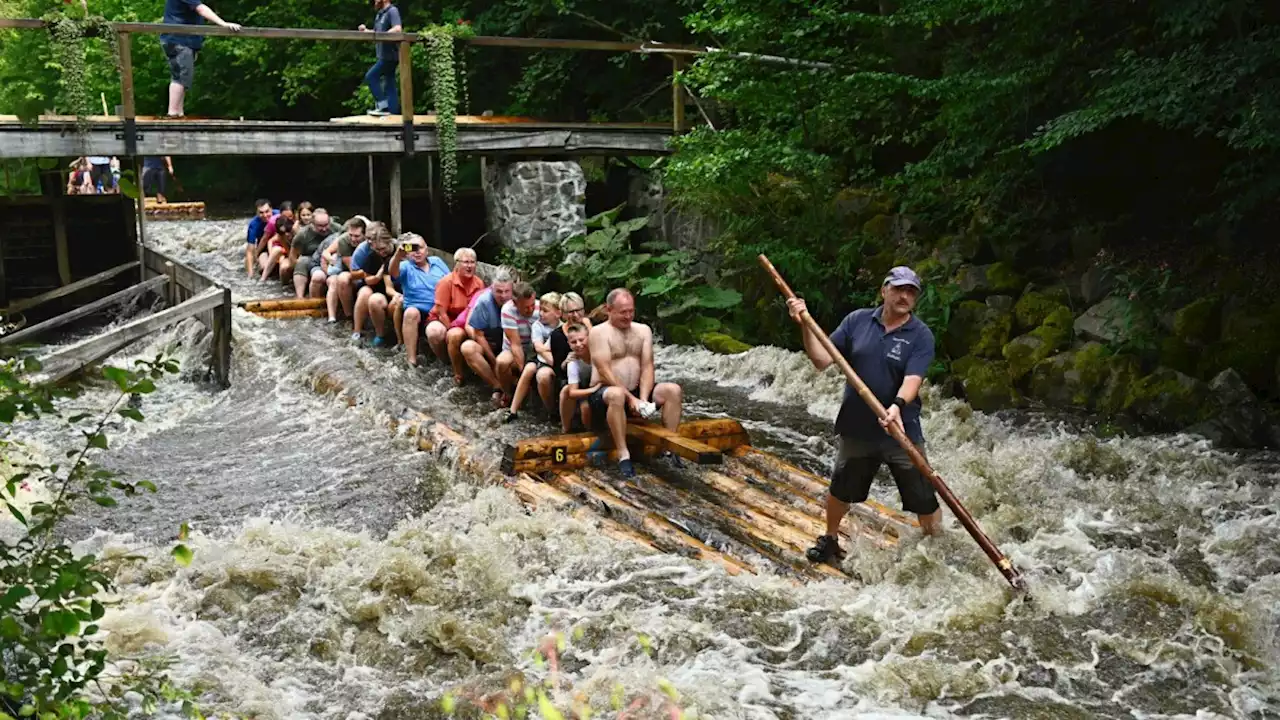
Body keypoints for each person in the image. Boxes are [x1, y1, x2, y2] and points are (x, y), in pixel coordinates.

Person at [786, 265, 941, 565]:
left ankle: (936, 554)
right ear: (884, 290)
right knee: (841, 490)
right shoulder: (857, 321)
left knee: (924, 496)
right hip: (857, 426)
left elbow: (913, 379)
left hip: (900, 429)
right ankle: (830, 539)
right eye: (899, 289)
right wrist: (804, 324)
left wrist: (896, 406)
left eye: (911, 291)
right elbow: (821, 360)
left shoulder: (921, 335)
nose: (905, 296)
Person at [588, 288, 685, 478]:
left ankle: (667, 447)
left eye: (631, 311)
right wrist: (631, 399)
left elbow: (647, 365)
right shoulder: (599, 333)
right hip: (605, 393)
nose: (628, 316)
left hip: (637, 391)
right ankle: (624, 454)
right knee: (616, 394)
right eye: (623, 312)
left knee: (673, 390)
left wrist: (642, 400)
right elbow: (604, 371)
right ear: (609, 309)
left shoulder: (643, 330)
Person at [159, 0, 241, 117]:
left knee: (183, 76)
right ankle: (172, 113)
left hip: (181, 40)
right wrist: (223, 23)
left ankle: (178, 112)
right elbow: (201, 8)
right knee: (181, 75)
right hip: (179, 40)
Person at [388, 233, 450, 366]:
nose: (417, 252)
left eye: (420, 248)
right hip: (417, 311)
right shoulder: (405, 266)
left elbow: (450, 281)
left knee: (436, 333)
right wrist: (398, 255)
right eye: (413, 249)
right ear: (408, 253)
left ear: (426, 249)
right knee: (411, 312)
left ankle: (446, 363)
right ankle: (411, 360)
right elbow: (393, 273)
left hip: (439, 310)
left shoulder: (437, 262)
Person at [429, 248, 485, 384]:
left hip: (467, 321)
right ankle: (456, 371)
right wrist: (449, 329)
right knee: (452, 335)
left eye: (472, 262)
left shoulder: (479, 283)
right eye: (466, 262)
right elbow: (441, 312)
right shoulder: (446, 282)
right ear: (457, 264)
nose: (469, 266)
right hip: (447, 319)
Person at [504, 291, 562, 423]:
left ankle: (551, 410)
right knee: (529, 369)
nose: (540, 313)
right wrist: (552, 360)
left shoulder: (562, 327)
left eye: (545, 311)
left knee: (544, 377)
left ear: (558, 313)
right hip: (541, 358)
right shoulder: (538, 325)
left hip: (554, 360)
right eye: (540, 309)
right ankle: (513, 409)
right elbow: (539, 348)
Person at [460, 270, 515, 402]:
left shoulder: (517, 301)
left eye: (507, 291)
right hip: (491, 343)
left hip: (512, 346)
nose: (503, 296)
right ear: (492, 289)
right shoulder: (484, 301)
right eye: (499, 292)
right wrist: (493, 361)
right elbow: (478, 334)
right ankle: (497, 386)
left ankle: (512, 390)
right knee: (468, 348)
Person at [350, 223, 397, 347]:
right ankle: (359, 331)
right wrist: (378, 276)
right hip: (377, 287)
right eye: (377, 250)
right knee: (367, 295)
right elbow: (367, 279)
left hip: (397, 287)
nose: (381, 252)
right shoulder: (370, 255)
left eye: (383, 248)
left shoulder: (400, 250)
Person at [495, 282, 539, 406]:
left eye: (532, 305)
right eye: (526, 307)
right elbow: (516, 344)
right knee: (501, 362)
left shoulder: (541, 309)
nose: (530, 309)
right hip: (513, 348)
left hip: (533, 347)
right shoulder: (508, 310)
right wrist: (522, 371)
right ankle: (508, 392)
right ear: (515, 303)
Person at [358, 0, 403, 116]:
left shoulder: (392, 11)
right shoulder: (380, 14)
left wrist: (385, 34)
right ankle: (393, 114)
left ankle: (383, 107)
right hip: (382, 55)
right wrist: (366, 31)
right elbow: (376, 33)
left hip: (390, 55)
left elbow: (398, 29)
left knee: (371, 76)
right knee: (389, 84)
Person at [319, 216, 369, 322]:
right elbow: (354, 269)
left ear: (365, 235)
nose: (353, 239)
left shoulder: (370, 240)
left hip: (363, 270)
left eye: (357, 236)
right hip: (348, 270)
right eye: (351, 235)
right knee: (339, 279)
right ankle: (347, 316)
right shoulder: (344, 240)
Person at [558, 322, 598, 433]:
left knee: (586, 408)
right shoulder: (573, 361)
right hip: (585, 389)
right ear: (569, 344)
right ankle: (566, 429)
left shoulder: (599, 352)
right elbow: (572, 392)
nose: (578, 344)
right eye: (574, 342)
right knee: (582, 404)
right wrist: (593, 390)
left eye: (581, 340)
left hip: (599, 386)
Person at [288, 208, 336, 298]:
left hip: (331, 259)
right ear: (312, 224)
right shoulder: (303, 234)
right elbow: (293, 256)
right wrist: (295, 270)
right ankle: (300, 296)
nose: (324, 229)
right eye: (320, 226)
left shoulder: (336, 228)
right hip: (310, 260)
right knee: (302, 261)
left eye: (326, 225)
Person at [244, 199, 276, 280]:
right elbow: (250, 251)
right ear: (257, 213)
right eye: (261, 213)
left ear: (272, 209)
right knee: (264, 268)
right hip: (263, 247)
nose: (265, 215)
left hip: (278, 244)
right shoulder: (253, 224)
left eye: (267, 211)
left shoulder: (279, 215)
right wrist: (250, 274)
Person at [258, 216, 295, 282]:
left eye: (288, 232)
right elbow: (270, 241)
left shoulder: (296, 232)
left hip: (295, 255)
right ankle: (263, 278)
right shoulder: (280, 236)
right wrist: (271, 253)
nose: (286, 234)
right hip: (286, 252)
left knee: (283, 265)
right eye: (284, 233)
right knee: (276, 250)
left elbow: (292, 253)